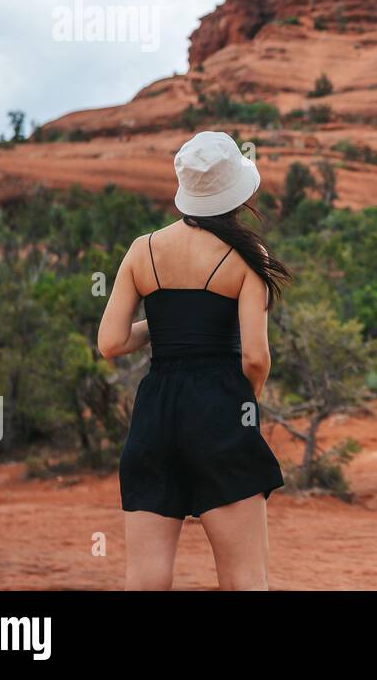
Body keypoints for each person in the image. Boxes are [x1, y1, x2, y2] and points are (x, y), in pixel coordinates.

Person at [98, 131, 291, 590]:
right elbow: (256, 357)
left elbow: (111, 342)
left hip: (155, 415)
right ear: (236, 193)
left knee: (145, 581)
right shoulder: (247, 256)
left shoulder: (142, 249)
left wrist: (169, 331)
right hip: (220, 411)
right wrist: (241, 410)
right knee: (246, 579)